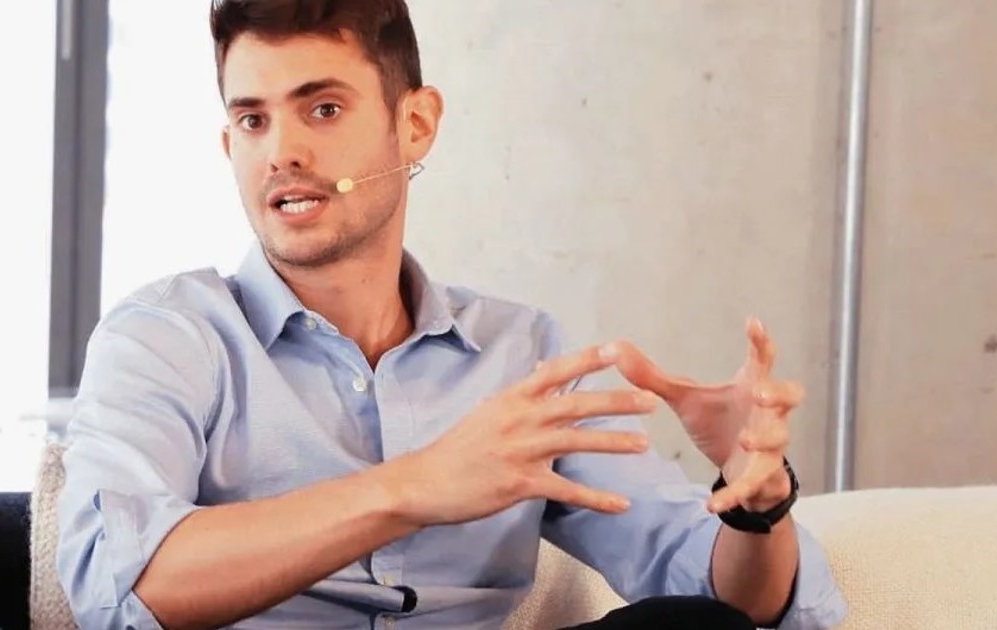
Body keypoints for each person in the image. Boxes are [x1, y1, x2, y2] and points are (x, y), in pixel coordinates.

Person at [55, 1, 847, 629]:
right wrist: (412, 487)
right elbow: (119, 586)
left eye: (322, 109)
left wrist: (757, 501)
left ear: (417, 124)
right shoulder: (167, 336)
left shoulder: (522, 354)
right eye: (253, 120)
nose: (281, 152)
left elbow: (736, 598)